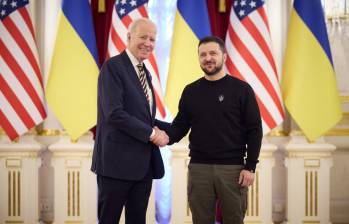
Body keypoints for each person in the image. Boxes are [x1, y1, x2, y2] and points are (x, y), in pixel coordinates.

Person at [166, 36, 263, 224]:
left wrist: (250, 166)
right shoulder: (190, 91)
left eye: (213, 53)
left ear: (224, 57)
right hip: (199, 168)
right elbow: (178, 128)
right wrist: (152, 127)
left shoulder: (242, 90)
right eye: (203, 54)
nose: (208, 58)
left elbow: (254, 130)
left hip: (233, 170)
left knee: (234, 220)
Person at [91, 18, 169, 224]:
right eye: (143, 37)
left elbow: (144, 118)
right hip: (115, 166)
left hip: (142, 167)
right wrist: (153, 134)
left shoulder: (145, 73)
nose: (148, 43)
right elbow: (115, 114)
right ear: (129, 37)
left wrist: (180, 126)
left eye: (152, 39)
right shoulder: (112, 67)